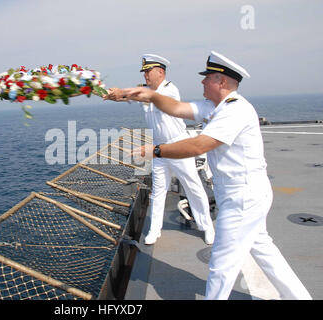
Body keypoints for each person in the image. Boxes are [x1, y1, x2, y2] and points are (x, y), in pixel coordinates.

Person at [104, 51, 312, 300]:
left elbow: (197, 146)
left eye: (207, 78)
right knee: (263, 249)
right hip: (242, 192)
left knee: (221, 265)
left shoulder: (235, 110)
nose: (201, 82)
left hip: (242, 195)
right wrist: (145, 94)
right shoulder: (214, 106)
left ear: (221, 82)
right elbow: (176, 108)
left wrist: (155, 151)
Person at [136, 54, 215, 245]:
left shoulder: (170, 90)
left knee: (193, 186)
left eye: (148, 71)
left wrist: (130, 92)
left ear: (160, 72)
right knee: (158, 190)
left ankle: (207, 227)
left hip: (177, 146)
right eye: (144, 72)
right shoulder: (145, 90)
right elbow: (131, 95)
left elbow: (152, 97)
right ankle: (155, 230)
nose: (145, 75)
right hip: (159, 149)